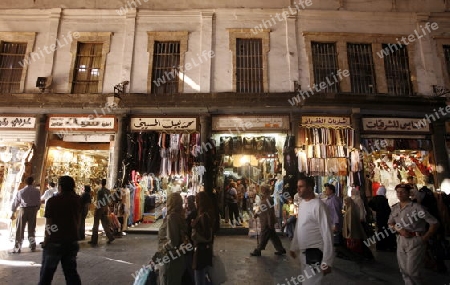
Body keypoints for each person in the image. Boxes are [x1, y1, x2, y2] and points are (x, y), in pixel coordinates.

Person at [388, 183, 439, 285]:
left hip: (415, 240)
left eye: (402, 192)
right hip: (401, 240)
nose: (399, 194)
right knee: (404, 270)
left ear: (408, 193)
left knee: (413, 271)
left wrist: (424, 238)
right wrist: (400, 230)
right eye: (398, 192)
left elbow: (434, 223)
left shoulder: (417, 207)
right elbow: (390, 223)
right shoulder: (395, 208)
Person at [38, 175, 82, 285]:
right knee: (71, 273)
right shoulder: (78, 200)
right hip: (71, 241)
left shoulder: (53, 201)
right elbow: (78, 220)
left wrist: (46, 240)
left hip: (55, 241)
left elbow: (49, 224)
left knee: (46, 274)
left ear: (60, 187)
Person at [290, 176, 333, 285]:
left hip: (314, 253)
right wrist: (294, 246)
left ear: (310, 188)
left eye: (301, 186)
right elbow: (299, 227)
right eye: (297, 187)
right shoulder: (303, 204)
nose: (298, 189)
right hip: (304, 254)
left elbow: (327, 233)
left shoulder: (318, 206)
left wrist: (327, 261)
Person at [158, 192, 188, 285]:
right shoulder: (179, 216)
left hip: (170, 259)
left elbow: (172, 241)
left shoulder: (172, 217)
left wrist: (163, 249)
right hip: (177, 258)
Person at [250, 183, 286, 256]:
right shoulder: (265, 198)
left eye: (262, 188)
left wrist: (270, 222)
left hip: (267, 221)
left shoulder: (269, 199)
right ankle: (281, 249)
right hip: (265, 220)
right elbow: (263, 208)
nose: (261, 190)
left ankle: (258, 250)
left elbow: (270, 212)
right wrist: (257, 214)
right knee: (273, 236)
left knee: (264, 236)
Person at [10, 176, 41, 253]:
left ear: (25, 182)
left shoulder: (21, 191)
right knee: (31, 229)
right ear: (33, 182)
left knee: (20, 229)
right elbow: (38, 202)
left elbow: (16, 202)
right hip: (33, 210)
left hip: (23, 209)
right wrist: (36, 209)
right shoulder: (37, 191)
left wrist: (13, 212)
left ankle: (18, 246)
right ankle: (32, 245)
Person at [191, 191, 214, 285]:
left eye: (196, 201)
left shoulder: (204, 215)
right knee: (203, 277)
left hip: (201, 250)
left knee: (200, 279)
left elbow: (207, 235)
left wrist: (195, 233)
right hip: (204, 250)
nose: (195, 203)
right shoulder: (206, 214)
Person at [368, 186, 395, 251]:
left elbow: (369, 204)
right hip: (384, 217)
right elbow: (387, 209)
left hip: (378, 216)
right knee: (386, 231)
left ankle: (380, 246)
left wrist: (375, 210)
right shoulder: (383, 199)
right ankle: (386, 246)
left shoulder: (375, 198)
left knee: (380, 230)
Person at [89, 179, 115, 245]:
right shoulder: (108, 191)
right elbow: (110, 200)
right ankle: (110, 237)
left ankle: (94, 240)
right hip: (105, 208)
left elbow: (98, 200)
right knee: (104, 224)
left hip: (100, 208)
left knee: (96, 224)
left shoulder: (100, 191)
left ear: (101, 183)